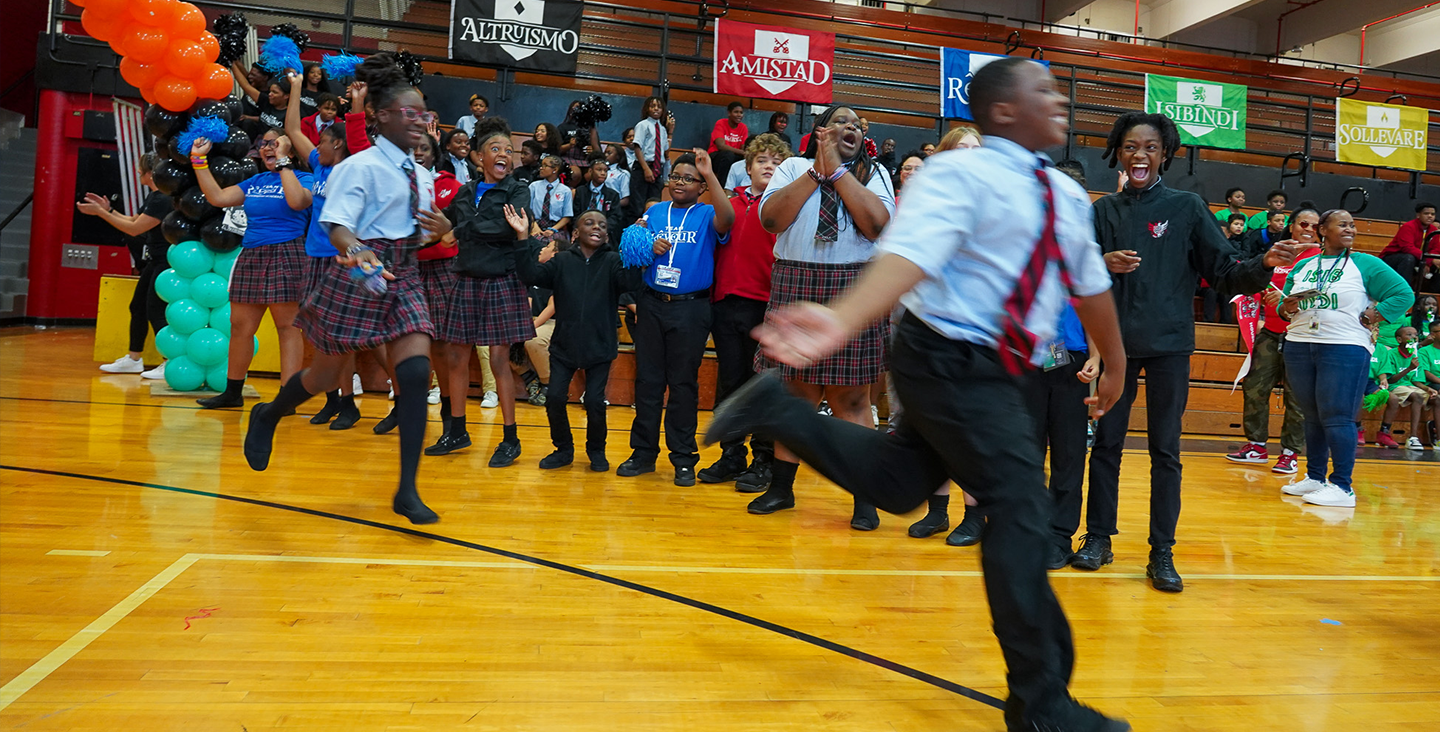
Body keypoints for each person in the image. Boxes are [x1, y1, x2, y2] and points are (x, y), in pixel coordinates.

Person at [702, 57, 1130, 732]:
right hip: (949, 357)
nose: (1060, 98)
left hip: (1004, 372)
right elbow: (908, 256)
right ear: (1003, 110)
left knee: (900, 482)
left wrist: (1115, 360)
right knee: (1019, 515)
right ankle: (1041, 703)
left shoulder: (1068, 196)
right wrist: (840, 320)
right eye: (1042, 89)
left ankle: (774, 409)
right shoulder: (960, 173)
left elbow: (1090, 284)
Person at [1075, 111, 1299, 593]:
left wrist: (1262, 263)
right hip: (1116, 349)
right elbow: (1075, 272)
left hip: (1170, 347)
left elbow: (1224, 271)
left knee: (1165, 451)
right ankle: (1097, 538)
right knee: (1107, 446)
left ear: (1165, 154)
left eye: (1150, 147)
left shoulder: (1188, 207)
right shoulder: (1101, 211)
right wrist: (1101, 262)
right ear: (1118, 151)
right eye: (1131, 146)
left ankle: (1161, 552)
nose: (1140, 154)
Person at [244, 53, 452, 525]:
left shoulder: (421, 173)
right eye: (409, 113)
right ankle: (271, 414)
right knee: (321, 379)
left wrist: (438, 231)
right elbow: (337, 226)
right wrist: (361, 257)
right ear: (381, 117)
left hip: (403, 273)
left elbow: (415, 234)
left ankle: (407, 490)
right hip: (359, 269)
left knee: (416, 374)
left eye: (424, 114)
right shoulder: (357, 167)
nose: (420, 121)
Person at [747, 104, 896, 532]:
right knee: (796, 394)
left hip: (854, 286)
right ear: (820, 131)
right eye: (841, 121)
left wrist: (837, 173)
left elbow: (876, 225)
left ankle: (864, 499)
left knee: (853, 400)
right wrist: (815, 172)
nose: (850, 127)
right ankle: (781, 488)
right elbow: (771, 220)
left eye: (857, 124)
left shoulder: (874, 172)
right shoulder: (791, 166)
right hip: (796, 279)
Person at [1276, 209, 1412, 506]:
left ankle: (1342, 487)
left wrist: (1378, 313)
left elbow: (1403, 294)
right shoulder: (1304, 266)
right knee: (1311, 414)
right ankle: (1315, 477)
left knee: (1337, 416)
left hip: (1345, 346)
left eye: (1352, 225)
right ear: (1323, 230)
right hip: (1299, 342)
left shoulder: (1367, 264)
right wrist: (1286, 306)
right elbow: (1283, 307)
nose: (1350, 229)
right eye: (1342, 224)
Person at [618, 150, 736, 486]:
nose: (680, 182)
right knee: (648, 382)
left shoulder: (707, 212)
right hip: (653, 303)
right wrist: (646, 248)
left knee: (683, 385)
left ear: (701, 187)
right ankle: (642, 454)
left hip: (691, 307)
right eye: (676, 177)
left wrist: (710, 173)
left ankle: (683, 459)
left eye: (688, 179)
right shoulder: (655, 211)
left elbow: (729, 220)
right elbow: (631, 252)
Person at [428, 118, 534, 466]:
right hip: (465, 279)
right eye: (495, 149)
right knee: (456, 356)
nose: (504, 154)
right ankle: (457, 429)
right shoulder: (464, 191)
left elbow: (505, 227)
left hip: (501, 280)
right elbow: (439, 224)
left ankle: (510, 438)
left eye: (508, 150)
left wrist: (458, 230)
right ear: (478, 157)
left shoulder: (518, 189)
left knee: (499, 360)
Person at [190, 127, 312, 409]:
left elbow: (296, 202)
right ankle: (233, 393)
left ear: (290, 150)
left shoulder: (305, 178)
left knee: (287, 327)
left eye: (275, 143)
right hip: (252, 253)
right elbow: (218, 198)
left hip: (288, 251)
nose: (268, 148)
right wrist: (199, 160)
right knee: (240, 326)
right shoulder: (255, 181)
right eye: (264, 143)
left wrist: (283, 163)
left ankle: (287, 397)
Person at [515, 209, 643, 471]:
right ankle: (563, 449)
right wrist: (521, 236)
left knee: (595, 402)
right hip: (564, 345)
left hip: (600, 345)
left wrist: (636, 242)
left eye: (603, 225)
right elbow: (530, 275)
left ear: (607, 234)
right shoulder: (561, 261)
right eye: (590, 222)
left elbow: (631, 283)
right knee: (555, 399)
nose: (597, 227)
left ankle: (596, 450)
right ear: (576, 232)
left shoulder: (613, 261)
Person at [699, 133, 790, 491]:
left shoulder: (785, 207)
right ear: (747, 167)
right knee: (730, 383)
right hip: (726, 303)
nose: (769, 166)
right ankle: (731, 455)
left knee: (763, 386)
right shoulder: (729, 204)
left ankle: (763, 460)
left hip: (767, 305)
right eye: (762, 160)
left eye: (777, 162)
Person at [282, 70, 369, 431]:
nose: (315, 146)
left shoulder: (351, 169)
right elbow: (292, 130)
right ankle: (333, 401)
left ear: (338, 144)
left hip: (340, 260)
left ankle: (348, 403)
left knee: (339, 338)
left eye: (324, 142)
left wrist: (359, 103)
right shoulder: (319, 164)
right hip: (313, 258)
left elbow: (358, 137)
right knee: (316, 334)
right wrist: (297, 88)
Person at [1226, 205, 1322, 474]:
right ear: (1291, 226)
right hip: (1270, 330)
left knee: (1297, 396)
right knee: (1255, 387)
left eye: (1315, 226)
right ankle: (1256, 446)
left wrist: (1287, 301)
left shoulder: (1323, 260)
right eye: (1303, 224)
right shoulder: (1277, 254)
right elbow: (1258, 282)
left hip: (1302, 336)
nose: (1308, 230)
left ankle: (1290, 453)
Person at [80, 152, 171, 380]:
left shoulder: (164, 199)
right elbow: (133, 220)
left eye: (141, 169)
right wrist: (109, 210)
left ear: (151, 173)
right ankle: (133, 359)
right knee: (138, 307)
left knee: (156, 311)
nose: (138, 172)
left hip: (166, 261)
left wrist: (101, 214)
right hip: (154, 259)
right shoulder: (154, 197)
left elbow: (134, 230)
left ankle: (170, 361)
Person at [413, 132, 464, 435]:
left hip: (444, 268)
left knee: (442, 343)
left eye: (424, 149)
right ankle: (409, 403)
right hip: (412, 268)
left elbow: (452, 230)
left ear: (434, 155)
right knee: (412, 342)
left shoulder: (451, 186)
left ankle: (448, 406)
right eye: (414, 149)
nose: (418, 153)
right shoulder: (401, 183)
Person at [1374, 326, 1433, 451]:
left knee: (1437, 398)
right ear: (1399, 339)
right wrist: (1409, 369)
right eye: (1409, 335)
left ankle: (1437, 438)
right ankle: (1413, 437)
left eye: (1415, 335)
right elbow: (1390, 380)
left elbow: (1416, 380)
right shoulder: (1391, 354)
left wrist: (1427, 389)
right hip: (1395, 386)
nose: (1413, 337)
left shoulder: (1416, 355)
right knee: (1417, 397)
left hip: (1410, 386)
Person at [1379, 202, 1438, 290]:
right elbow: (1407, 248)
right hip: (1393, 258)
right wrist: (1429, 260)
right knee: (1408, 258)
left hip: (1419, 258)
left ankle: (1433, 293)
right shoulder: (1408, 227)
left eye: (1432, 214)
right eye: (1426, 213)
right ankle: (1403, 290)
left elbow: (1435, 249)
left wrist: (1428, 262)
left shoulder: (1434, 230)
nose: (1430, 216)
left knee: (1437, 263)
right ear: (1418, 215)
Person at [630, 96, 670, 209]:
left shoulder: (662, 129)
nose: (656, 109)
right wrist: (646, 169)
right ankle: (636, 226)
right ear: (647, 109)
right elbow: (637, 147)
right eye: (652, 106)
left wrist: (670, 131)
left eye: (659, 107)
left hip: (657, 169)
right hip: (643, 166)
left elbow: (665, 150)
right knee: (638, 204)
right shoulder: (642, 125)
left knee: (654, 202)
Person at [574, 157, 624, 244]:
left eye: (605, 171)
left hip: (604, 231)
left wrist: (601, 228)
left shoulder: (612, 195)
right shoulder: (580, 191)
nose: (603, 173)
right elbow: (576, 213)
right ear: (590, 171)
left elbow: (615, 217)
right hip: (583, 230)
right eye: (599, 170)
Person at [528, 155, 574, 244]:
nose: (541, 168)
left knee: (554, 246)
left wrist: (553, 229)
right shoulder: (534, 186)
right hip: (535, 224)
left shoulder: (565, 191)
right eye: (541, 165)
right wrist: (535, 226)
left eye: (545, 165)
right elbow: (528, 209)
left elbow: (567, 216)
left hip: (555, 227)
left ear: (555, 169)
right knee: (534, 243)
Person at [558, 99, 601, 182]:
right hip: (568, 158)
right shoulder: (563, 127)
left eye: (578, 108)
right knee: (575, 173)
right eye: (572, 108)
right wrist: (569, 145)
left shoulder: (590, 128)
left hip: (585, 159)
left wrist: (592, 150)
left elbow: (598, 151)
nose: (575, 110)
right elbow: (557, 149)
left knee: (593, 175)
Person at [708, 101, 749, 183]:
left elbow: (743, 147)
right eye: (736, 112)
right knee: (728, 155)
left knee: (746, 160)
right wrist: (742, 152)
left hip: (733, 158)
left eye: (741, 112)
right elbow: (721, 146)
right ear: (729, 113)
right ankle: (721, 185)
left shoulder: (743, 127)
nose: (739, 115)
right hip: (716, 157)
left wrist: (745, 153)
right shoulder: (721, 123)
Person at [602, 144, 632, 214]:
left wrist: (611, 206)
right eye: (605, 153)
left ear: (618, 156)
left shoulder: (622, 173)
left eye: (609, 153)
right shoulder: (601, 170)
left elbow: (625, 200)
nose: (606, 155)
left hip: (614, 209)